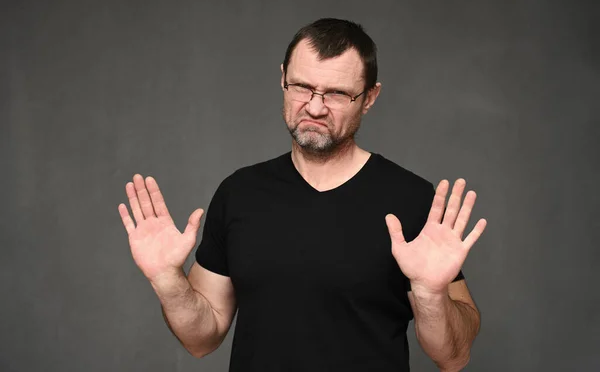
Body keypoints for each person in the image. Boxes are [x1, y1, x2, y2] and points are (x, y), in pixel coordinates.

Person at [118, 18, 487, 372]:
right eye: (301, 87)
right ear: (283, 78)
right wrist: (167, 279)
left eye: (337, 93)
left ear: (370, 97)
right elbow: (201, 339)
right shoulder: (240, 193)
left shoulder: (411, 199)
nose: (314, 106)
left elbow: (453, 358)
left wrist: (430, 294)